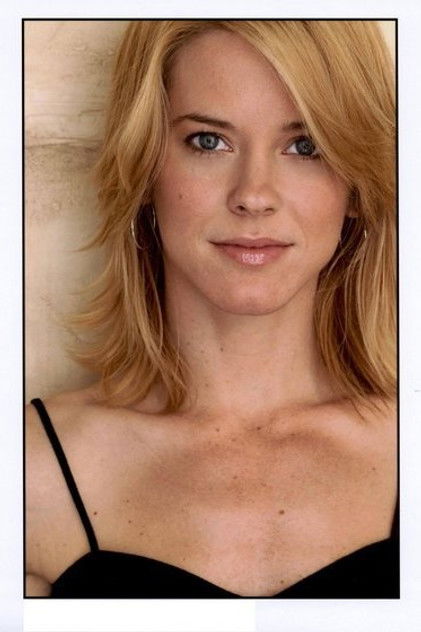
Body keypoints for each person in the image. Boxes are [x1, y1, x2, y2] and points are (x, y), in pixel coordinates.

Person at [25, 19, 397, 598]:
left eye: (305, 146)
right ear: (146, 167)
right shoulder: (32, 472)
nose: (253, 195)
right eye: (208, 141)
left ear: (356, 184)